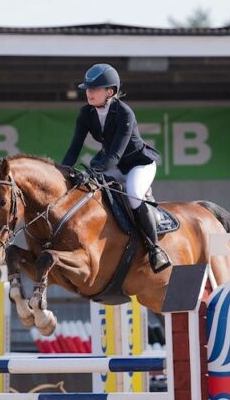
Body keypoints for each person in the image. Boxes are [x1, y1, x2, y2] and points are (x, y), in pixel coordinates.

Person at [61, 63, 170, 273]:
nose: (89, 93)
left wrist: (93, 172)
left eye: (94, 89)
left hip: (138, 164)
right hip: (112, 164)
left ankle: (155, 248)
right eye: (88, 89)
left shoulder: (124, 113)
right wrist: (63, 172)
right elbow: (74, 147)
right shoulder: (86, 114)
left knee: (134, 194)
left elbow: (116, 154)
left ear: (110, 92)